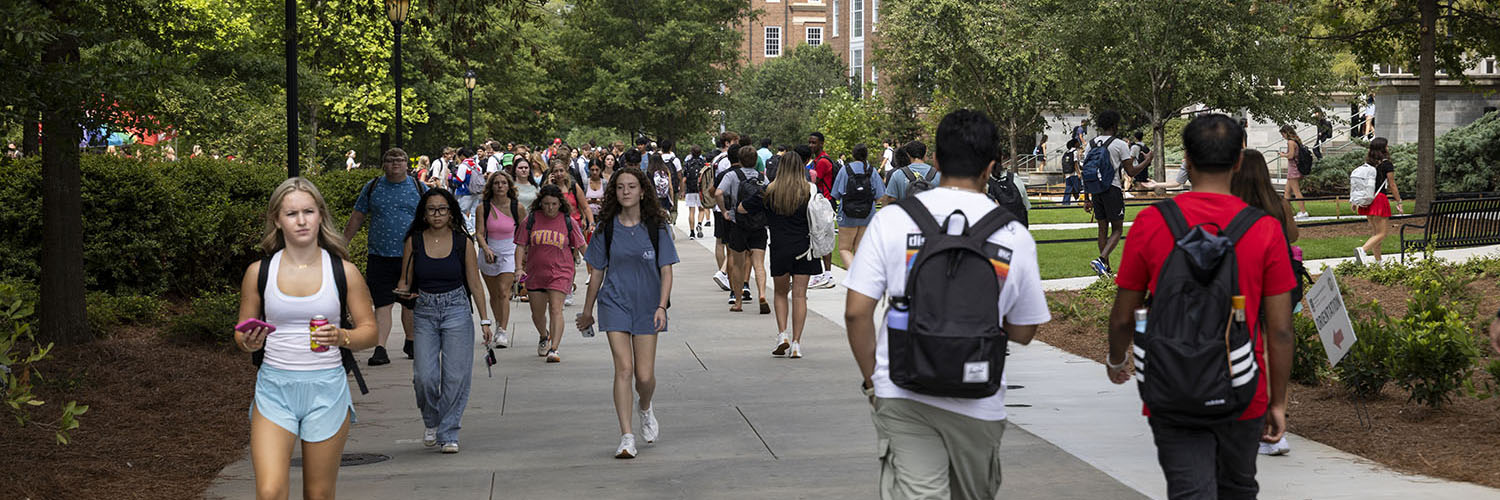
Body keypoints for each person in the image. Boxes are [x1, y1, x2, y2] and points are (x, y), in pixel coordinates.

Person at [843, 109, 1050, 500]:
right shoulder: (1012, 233)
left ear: (935, 161)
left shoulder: (893, 221)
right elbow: (1023, 332)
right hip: (978, 395)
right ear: (991, 167)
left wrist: (873, 381)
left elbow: (856, 312)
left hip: (904, 389)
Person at [1106, 113, 1295, 499]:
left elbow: (1124, 313)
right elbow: (1279, 329)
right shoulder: (1264, 229)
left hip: (1171, 385)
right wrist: (1277, 401)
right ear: (1238, 161)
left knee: (1189, 489)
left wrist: (1115, 358)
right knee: (1237, 487)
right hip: (1241, 387)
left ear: (1186, 162)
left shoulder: (1152, 222)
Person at [236, 177, 378, 500]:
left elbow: (370, 332)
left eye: (308, 211)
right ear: (277, 220)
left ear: (320, 215)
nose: (301, 221)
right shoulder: (258, 272)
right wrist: (248, 341)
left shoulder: (344, 271)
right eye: (291, 214)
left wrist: (341, 335)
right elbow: (241, 331)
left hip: (327, 389)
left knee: (318, 494)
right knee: (270, 492)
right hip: (274, 389)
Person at [576, 167, 679, 459]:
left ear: (642, 191)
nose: (625, 192)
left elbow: (666, 270)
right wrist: (587, 312)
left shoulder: (656, 227)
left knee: (644, 377)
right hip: (614, 302)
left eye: (631, 187)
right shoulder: (606, 228)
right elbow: (596, 273)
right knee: (624, 369)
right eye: (620, 187)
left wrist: (662, 305)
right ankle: (626, 436)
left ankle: (644, 407)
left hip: (648, 305)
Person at [393, 188, 493, 454]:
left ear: (451, 213)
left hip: (457, 309)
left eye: (442, 209)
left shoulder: (463, 242)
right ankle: (431, 420)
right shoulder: (413, 241)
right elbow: (404, 280)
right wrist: (403, 293)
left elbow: (474, 283)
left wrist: (485, 320)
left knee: (455, 376)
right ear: (424, 214)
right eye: (431, 209)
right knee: (424, 376)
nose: (437, 214)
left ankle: (449, 431)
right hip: (424, 310)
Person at [1231, 149, 1299, 457]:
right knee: (1275, 346)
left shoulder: (1234, 208)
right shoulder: (1278, 204)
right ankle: (1277, 414)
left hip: (1247, 286)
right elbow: (1293, 237)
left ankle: (1254, 417)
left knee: (1248, 348)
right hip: (1281, 283)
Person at [344, 148, 425, 364]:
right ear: (384, 164)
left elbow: (433, 216)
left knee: (409, 303)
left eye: (400, 159)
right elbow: (357, 216)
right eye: (390, 160)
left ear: (407, 164)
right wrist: (343, 243)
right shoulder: (373, 188)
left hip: (411, 256)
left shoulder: (419, 188)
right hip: (379, 255)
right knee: (382, 303)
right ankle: (380, 348)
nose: (395, 163)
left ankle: (411, 340)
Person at [742, 151, 819, 358]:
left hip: (779, 247)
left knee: (780, 293)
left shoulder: (769, 191)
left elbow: (742, 208)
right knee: (800, 295)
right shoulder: (809, 190)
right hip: (804, 247)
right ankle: (796, 343)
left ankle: (782, 333)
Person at [516, 184, 587, 363]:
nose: (550, 208)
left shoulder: (568, 221)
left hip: (561, 272)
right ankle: (543, 335)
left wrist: (597, 266)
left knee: (556, 309)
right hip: (535, 273)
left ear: (560, 204)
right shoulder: (531, 220)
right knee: (537, 313)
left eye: (554, 204)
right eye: (546, 204)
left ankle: (554, 349)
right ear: (541, 203)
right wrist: (518, 269)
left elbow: (582, 246)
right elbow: (520, 246)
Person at [1081, 110, 1139, 277]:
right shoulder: (1120, 144)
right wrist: (1147, 160)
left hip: (1096, 191)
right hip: (1112, 189)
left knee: (1102, 228)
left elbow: (1087, 171)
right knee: (1118, 229)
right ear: (1114, 125)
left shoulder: (1091, 144)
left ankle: (1105, 269)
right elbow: (1131, 171)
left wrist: (1087, 198)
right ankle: (1101, 259)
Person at [717, 146, 771, 314]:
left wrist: (725, 211)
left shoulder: (732, 175)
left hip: (738, 224)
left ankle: (738, 301)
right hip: (758, 224)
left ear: (739, 160)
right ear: (756, 161)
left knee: (738, 264)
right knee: (759, 264)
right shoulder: (761, 178)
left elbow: (718, 192)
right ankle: (762, 294)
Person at [476, 171, 526, 350]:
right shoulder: (483, 207)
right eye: (496, 183)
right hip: (489, 251)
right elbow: (479, 233)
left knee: (504, 291)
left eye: (503, 183)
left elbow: (524, 231)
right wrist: (486, 248)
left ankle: (503, 331)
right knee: (494, 294)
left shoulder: (517, 207)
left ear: (509, 186)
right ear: (491, 186)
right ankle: (498, 323)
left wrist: (524, 256)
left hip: (510, 251)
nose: (500, 186)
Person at [831, 144, 886, 270]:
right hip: (867, 214)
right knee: (861, 250)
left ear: (853, 154)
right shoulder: (871, 171)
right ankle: (862, 280)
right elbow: (880, 195)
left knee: (845, 249)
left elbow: (836, 194)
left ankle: (854, 277)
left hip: (847, 214)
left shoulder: (845, 169)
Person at [1354, 137, 1404, 265]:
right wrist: (1399, 201)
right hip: (1379, 199)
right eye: (1386, 146)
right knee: (1382, 233)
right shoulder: (1387, 164)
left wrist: (1355, 201)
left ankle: (1378, 262)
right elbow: (1392, 184)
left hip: (1367, 199)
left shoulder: (1368, 164)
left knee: (1375, 234)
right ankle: (1363, 250)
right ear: (1383, 148)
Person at [806, 133, 840, 289]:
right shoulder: (819, 160)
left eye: (814, 143)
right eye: (810, 143)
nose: (811, 145)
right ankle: (825, 274)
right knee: (821, 237)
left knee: (822, 237)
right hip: (823, 202)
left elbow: (814, 181)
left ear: (821, 143)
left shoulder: (822, 162)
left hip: (823, 203)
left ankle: (824, 274)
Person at [1278, 125, 1310, 219]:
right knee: (1287, 192)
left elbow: (1291, 156)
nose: (1282, 136)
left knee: (1296, 191)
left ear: (1286, 133)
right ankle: (1286, 212)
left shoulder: (1290, 142)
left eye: (1283, 134)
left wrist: (1283, 154)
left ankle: (1303, 212)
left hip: (1293, 169)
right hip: (1294, 169)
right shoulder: (1295, 141)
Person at [682, 146, 707, 240]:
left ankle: (692, 232)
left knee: (691, 211)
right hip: (700, 190)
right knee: (701, 209)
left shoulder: (688, 163)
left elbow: (684, 178)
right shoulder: (703, 163)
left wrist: (682, 190)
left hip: (690, 189)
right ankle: (699, 224)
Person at [1061, 139, 1083, 206]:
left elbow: (1063, 163)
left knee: (1068, 188)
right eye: (1078, 142)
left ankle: (1065, 202)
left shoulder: (1067, 152)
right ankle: (1081, 201)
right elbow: (1075, 163)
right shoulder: (1075, 151)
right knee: (1078, 188)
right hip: (1074, 173)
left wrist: (1064, 173)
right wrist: (1079, 173)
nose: (1079, 144)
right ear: (1075, 144)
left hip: (1067, 173)